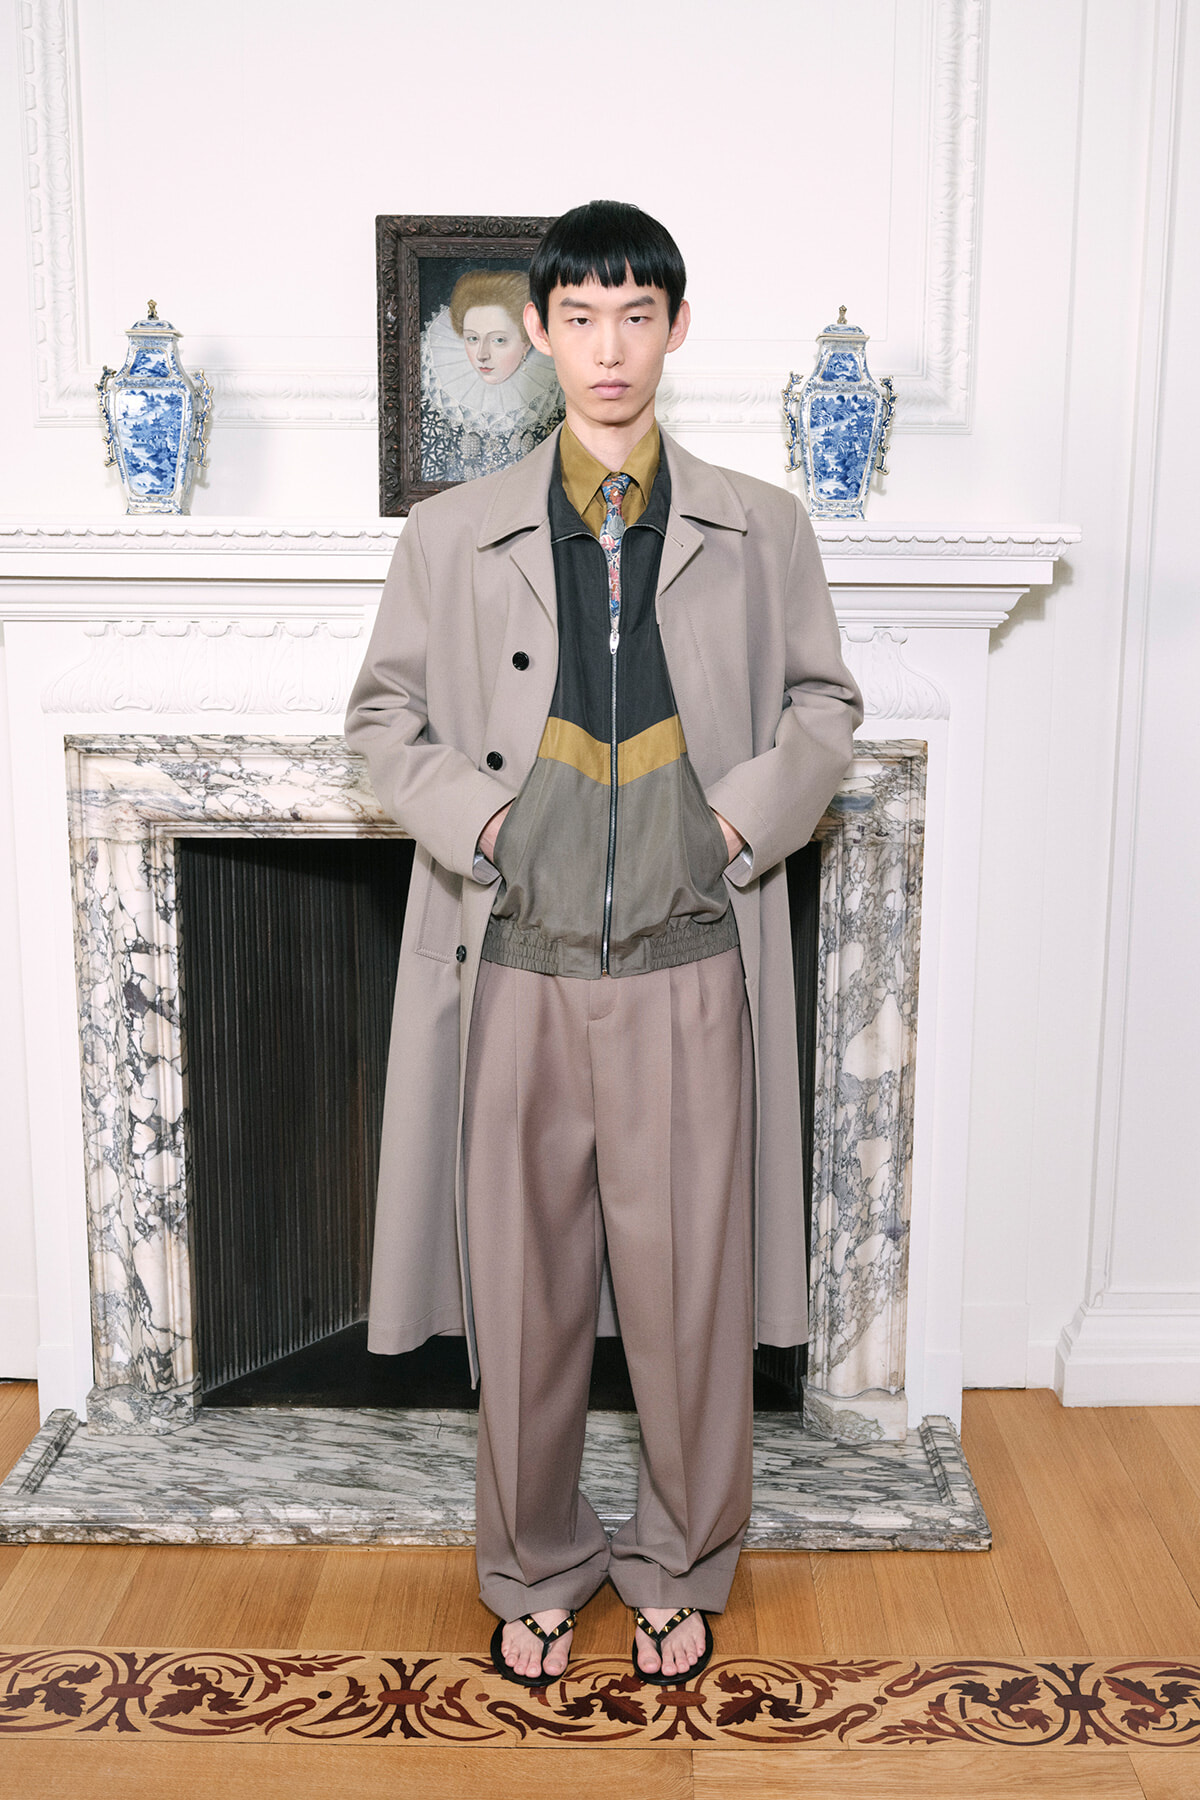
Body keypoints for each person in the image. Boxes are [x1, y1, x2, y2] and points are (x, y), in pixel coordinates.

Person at [345, 200, 862, 1689]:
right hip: (513, 966)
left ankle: (683, 1564)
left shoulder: (764, 526)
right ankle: (533, 1565)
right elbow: (382, 718)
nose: (610, 346)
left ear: (675, 329)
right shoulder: (452, 534)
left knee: (692, 1295)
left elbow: (825, 707)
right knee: (522, 1294)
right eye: (582, 317)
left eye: (639, 315)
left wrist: (731, 824)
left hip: (693, 966)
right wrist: (491, 829)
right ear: (546, 336)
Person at [419, 268, 564, 483]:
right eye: (472, 339)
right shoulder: (440, 401)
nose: (482, 355)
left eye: (498, 340)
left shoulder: (556, 400)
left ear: (526, 341)